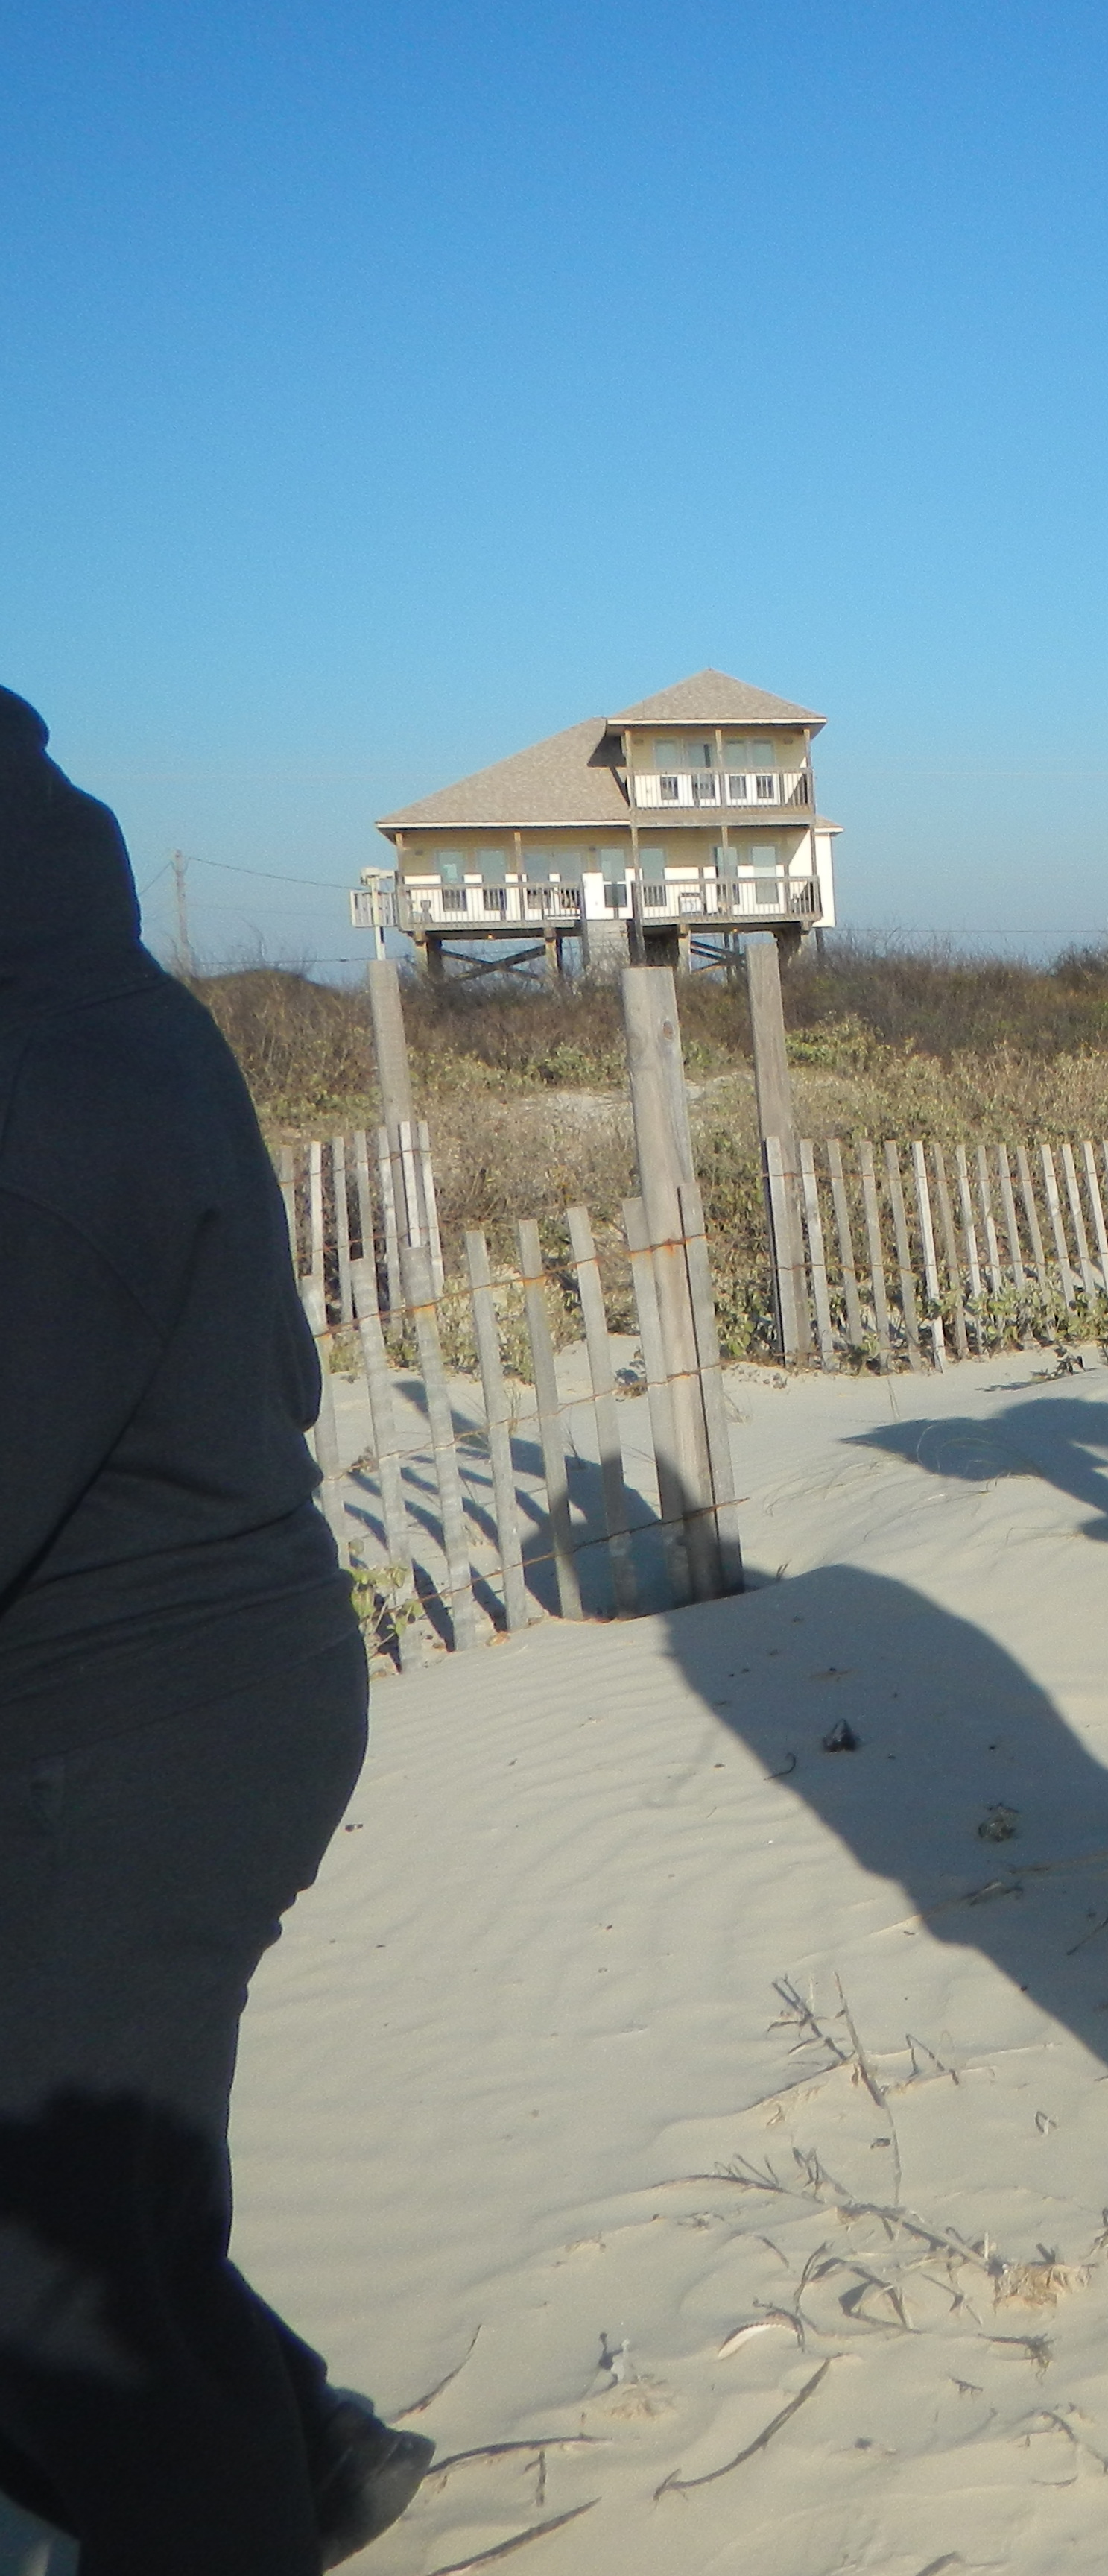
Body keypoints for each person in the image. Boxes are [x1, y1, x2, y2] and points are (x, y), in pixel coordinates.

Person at [0, 687, 431, 2570]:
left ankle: (250, 2496)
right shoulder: (123, 1015)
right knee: (103, 2210)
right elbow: (281, 1365)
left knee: (53, 2282)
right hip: (209, 1692)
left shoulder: (37, 1096)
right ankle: (312, 2460)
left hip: (133, 1739)